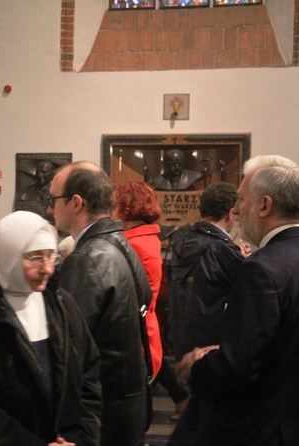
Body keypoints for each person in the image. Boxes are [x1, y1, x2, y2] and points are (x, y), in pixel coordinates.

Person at [0, 211, 102, 446]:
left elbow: (88, 379)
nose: (47, 268)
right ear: (7, 256)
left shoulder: (62, 305)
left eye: (51, 256)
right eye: (34, 257)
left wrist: (79, 438)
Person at [177, 155, 299, 446]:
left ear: (264, 205)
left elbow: (236, 367)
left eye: (241, 200)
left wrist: (196, 367)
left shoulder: (260, 268)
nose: (235, 210)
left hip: (261, 427)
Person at [48, 161, 149, 446]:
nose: (49, 208)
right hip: (129, 401)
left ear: (76, 202)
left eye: (53, 199)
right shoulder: (120, 244)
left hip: (102, 411)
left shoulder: (87, 258)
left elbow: (69, 344)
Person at [167, 181, 245, 444]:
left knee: (198, 412)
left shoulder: (181, 242)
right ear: (230, 212)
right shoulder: (223, 248)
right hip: (212, 347)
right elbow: (244, 296)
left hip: (183, 341)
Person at [112, 182, 163, 381]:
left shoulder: (134, 244)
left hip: (137, 340)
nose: (111, 209)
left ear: (127, 207)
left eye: (115, 204)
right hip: (142, 332)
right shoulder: (143, 238)